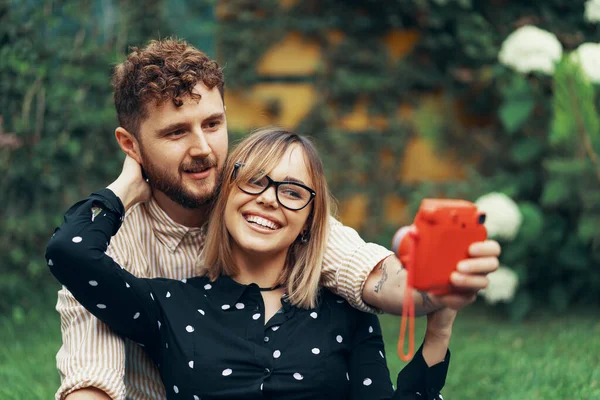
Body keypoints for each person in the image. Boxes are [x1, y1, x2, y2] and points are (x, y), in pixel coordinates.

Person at [54, 38, 501, 400]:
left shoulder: (330, 297)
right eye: (175, 132)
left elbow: (371, 273)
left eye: (212, 124)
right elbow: (90, 366)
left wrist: (431, 299)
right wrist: (123, 191)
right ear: (130, 146)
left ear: (309, 218)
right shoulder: (157, 290)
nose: (203, 149)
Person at [47, 127, 456, 400]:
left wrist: (438, 332)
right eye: (255, 180)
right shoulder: (167, 305)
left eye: (292, 192)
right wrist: (124, 189)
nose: (269, 199)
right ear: (226, 193)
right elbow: (70, 251)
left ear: (309, 222)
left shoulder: (343, 312)